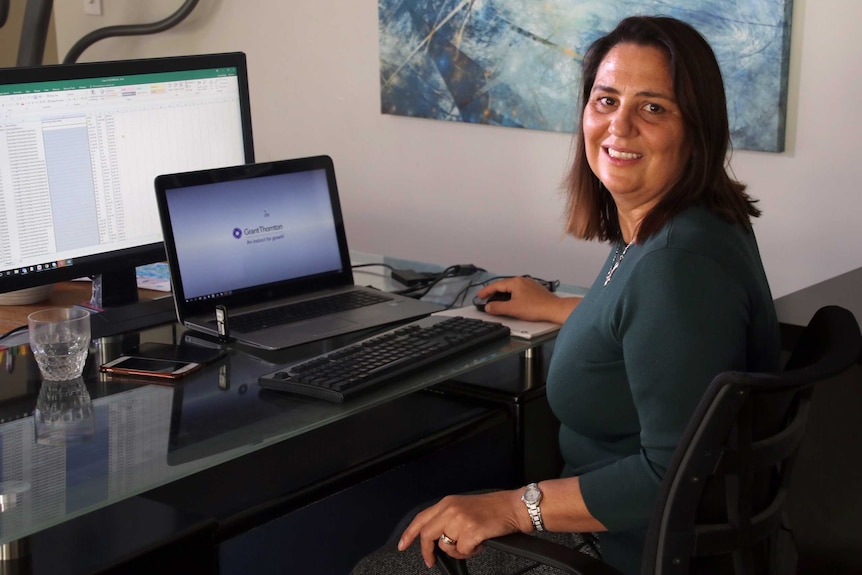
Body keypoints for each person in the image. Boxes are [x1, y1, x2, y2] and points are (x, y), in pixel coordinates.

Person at [352, 15, 780, 575]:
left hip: (622, 550)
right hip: (618, 530)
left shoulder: (677, 265)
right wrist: (557, 307)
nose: (618, 127)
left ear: (696, 129)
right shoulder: (683, 227)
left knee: (393, 560)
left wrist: (511, 508)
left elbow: (669, 475)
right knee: (416, 525)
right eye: (606, 101)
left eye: (653, 108)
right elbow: (654, 337)